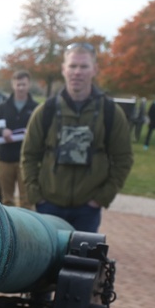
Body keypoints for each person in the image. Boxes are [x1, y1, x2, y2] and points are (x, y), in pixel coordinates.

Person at [20, 42, 133, 233]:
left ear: (94, 69)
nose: (77, 72)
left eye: (84, 66)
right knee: (49, 262)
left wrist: (101, 198)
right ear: (64, 69)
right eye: (72, 66)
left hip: (87, 210)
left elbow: (123, 159)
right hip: (48, 206)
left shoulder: (110, 112)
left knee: (82, 263)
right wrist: (35, 195)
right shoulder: (45, 111)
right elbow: (28, 155)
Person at [0, 70, 38, 208]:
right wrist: (2, 131)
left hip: (26, 160)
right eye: (18, 84)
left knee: (27, 199)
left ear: (29, 85)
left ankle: (28, 229)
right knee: (6, 200)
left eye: (24, 84)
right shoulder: (2, 108)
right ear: (13, 85)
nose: (21, 88)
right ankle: (8, 228)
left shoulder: (36, 108)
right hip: (5, 158)